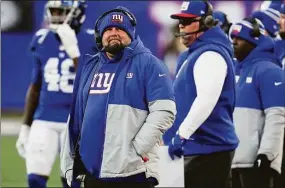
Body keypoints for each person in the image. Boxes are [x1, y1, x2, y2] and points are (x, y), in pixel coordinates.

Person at [60, 6, 176, 188]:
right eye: (109, 29)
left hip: (133, 173)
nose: (114, 33)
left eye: (120, 29)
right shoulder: (90, 66)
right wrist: (70, 162)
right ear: (101, 35)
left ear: (131, 33)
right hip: (93, 173)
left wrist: (137, 149)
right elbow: (76, 118)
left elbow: (164, 111)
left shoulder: (150, 63)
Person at [15, 1, 96, 188]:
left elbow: (90, 82)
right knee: (35, 179)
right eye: (54, 11)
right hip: (44, 118)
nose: (56, 16)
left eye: (61, 11)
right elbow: (35, 86)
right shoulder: (42, 39)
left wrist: (74, 52)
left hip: (76, 120)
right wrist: (26, 126)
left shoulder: (92, 41)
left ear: (77, 14)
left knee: (71, 182)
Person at [163, 1, 239, 188]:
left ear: (206, 22)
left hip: (208, 150)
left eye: (188, 21)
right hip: (198, 148)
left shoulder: (210, 54)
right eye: (181, 21)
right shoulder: (194, 53)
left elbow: (207, 100)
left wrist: (182, 135)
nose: (182, 25)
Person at [230, 17, 285, 188]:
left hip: (257, 163)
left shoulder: (270, 70)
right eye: (232, 38)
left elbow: (277, 116)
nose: (234, 42)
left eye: (239, 38)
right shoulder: (237, 71)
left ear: (253, 39)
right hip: (234, 161)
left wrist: (267, 155)